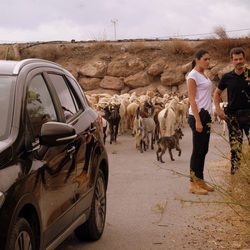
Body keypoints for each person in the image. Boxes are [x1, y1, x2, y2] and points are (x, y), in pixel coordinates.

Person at [213, 47, 250, 175]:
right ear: (232, 60)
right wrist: (218, 110)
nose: (239, 61)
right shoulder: (227, 77)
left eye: (241, 59)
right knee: (235, 149)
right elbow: (216, 94)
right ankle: (235, 177)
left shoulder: (249, 75)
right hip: (233, 117)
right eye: (236, 59)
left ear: (244, 59)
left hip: (249, 116)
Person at [187, 49, 214, 195]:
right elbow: (192, 98)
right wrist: (197, 121)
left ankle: (200, 180)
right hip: (198, 116)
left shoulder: (204, 74)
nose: (208, 61)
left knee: (204, 149)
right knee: (197, 150)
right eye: (205, 59)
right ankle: (192, 183)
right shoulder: (192, 75)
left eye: (209, 59)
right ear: (197, 59)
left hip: (206, 115)